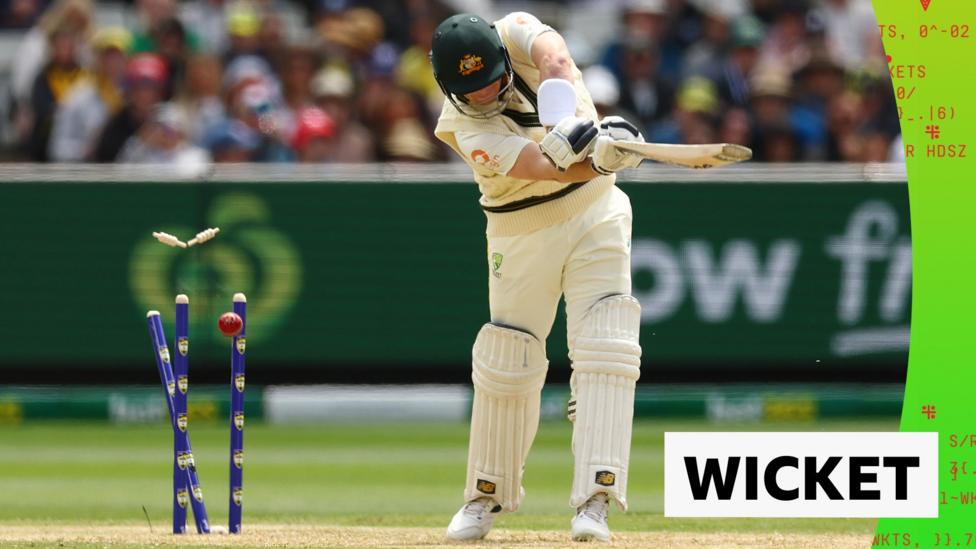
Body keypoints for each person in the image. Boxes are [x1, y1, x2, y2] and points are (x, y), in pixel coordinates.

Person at [429, 12, 645, 542]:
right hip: (521, 231)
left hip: (598, 211)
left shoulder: (517, 29)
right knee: (509, 358)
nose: (486, 96)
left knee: (607, 347)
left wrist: (571, 130)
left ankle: (595, 501)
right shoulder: (463, 127)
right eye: (471, 92)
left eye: (491, 82)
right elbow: (546, 169)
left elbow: (556, 59)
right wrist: (598, 157)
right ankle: (485, 496)